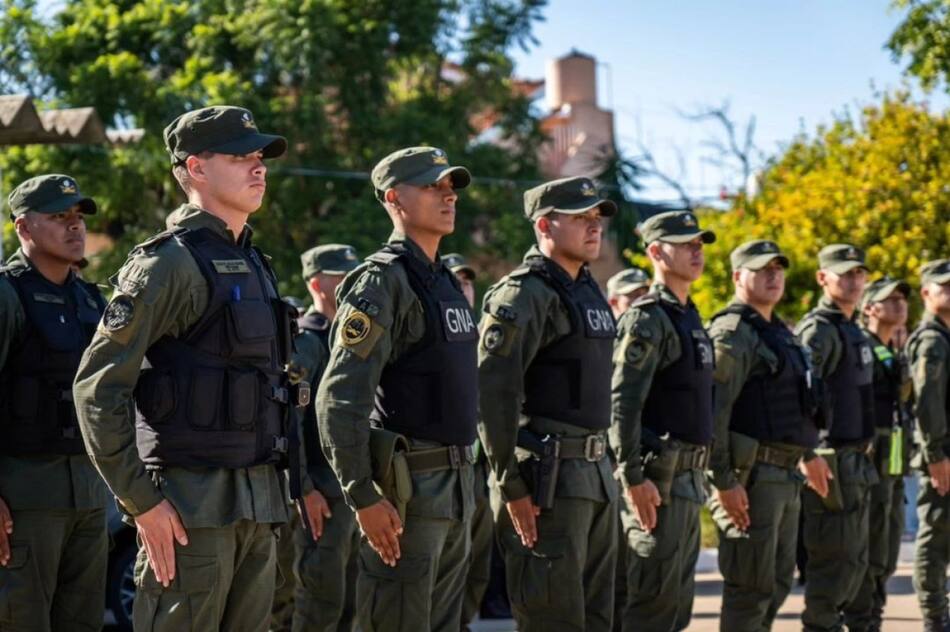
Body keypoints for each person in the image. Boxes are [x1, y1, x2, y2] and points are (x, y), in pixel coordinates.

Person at [73, 105, 300, 632]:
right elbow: (97, 389)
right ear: (196, 168)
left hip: (257, 502)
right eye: (242, 156)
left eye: (260, 156)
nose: (259, 166)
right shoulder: (167, 263)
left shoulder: (254, 261)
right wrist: (142, 504)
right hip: (188, 508)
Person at [316, 146, 478, 632]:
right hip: (409, 494)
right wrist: (362, 494)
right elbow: (339, 398)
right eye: (433, 186)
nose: (448, 195)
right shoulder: (381, 282)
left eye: (450, 186)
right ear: (394, 198)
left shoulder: (445, 280)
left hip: (456, 487)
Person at [478, 176, 619, 631]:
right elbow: (492, 396)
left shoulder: (587, 288)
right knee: (553, 618)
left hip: (596, 475)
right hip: (548, 482)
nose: (593, 226)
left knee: (600, 617)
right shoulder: (524, 294)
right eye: (580, 217)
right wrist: (511, 485)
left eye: (596, 217)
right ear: (545, 224)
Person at [0, 175, 108, 631]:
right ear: (24, 228)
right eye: (59, 217)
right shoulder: (8, 294)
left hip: (90, 494)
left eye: (78, 217)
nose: (74, 227)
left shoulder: (91, 299)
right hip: (24, 497)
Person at [706, 240, 829, 631]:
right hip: (752, 477)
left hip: (785, 475)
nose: (773, 276)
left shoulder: (779, 333)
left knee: (775, 585)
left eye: (778, 269)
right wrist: (724, 482)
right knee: (749, 589)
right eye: (762, 269)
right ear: (738, 276)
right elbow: (714, 414)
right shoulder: (733, 333)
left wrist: (808, 453)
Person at [610, 210, 716, 632]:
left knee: (676, 610)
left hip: (689, 481)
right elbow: (622, 404)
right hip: (657, 484)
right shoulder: (647, 319)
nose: (697, 250)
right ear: (655, 252)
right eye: (685, 243)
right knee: (651, 607)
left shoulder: (690, 317)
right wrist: (632, 477)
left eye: (699, 243)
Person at [794, 243, 878, 632]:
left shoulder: (851, 327)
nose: (854, 279)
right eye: (844, 273)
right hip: (831, 462)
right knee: (832, 570)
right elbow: (799, 395)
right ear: (822, 278)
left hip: (857, 461)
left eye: (859, 272)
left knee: (859, 566)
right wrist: (808, 452)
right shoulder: (819, 330)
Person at [287, 244, 362, 632]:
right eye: (343, 277)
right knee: (319, 602)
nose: (354, 284)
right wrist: (303, 487)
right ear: (317, 284)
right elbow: (291, 420)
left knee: (350, 604)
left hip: (351, 494)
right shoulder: (307, 341)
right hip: (322, 497)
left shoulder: (348, 338)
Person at [842, 276, 913, 632]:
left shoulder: (891, 349)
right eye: (890, 299)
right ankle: (860, 621)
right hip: (869, 456)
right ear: (870, 307)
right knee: (867, 549)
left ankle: (873, 620)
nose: (900, 304)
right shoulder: (861, 345)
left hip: (894, 456)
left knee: (885, 552)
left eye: (903, 298)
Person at [443, 252, 493, 632]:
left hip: (478, 475)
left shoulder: (480, 338)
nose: (464, 287)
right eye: (456, 281)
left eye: (468, 281)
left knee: (476, 569)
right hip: (441, 475)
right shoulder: (439, 336)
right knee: (444, 574)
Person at [906, 259, 950, 632]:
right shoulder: (933, 340)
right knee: (935, 541)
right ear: (926, 293)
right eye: (944, 286)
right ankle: (935, 619)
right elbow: (927, 401)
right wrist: (936, 456)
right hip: (942, 458)